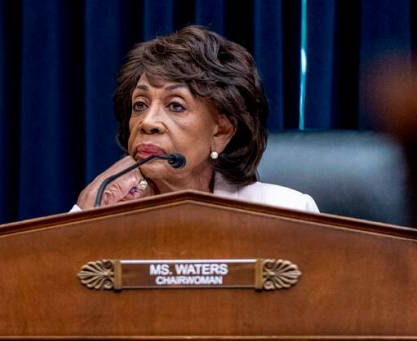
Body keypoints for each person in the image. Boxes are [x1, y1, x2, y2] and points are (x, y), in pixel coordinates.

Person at [76, 25, 318, 213]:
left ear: (221, 131)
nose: (148, 122)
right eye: (140, 105)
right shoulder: (106, 208)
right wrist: (85, 218)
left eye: (175, 106)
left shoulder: (285, 213)